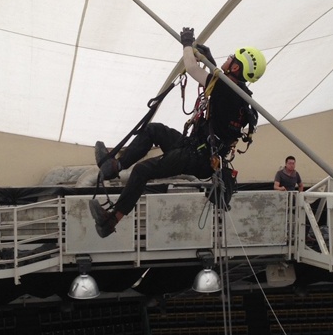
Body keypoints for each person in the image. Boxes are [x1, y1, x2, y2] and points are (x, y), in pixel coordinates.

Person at [88, 28, 267, 237]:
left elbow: (191, 68)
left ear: (236, 67)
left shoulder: (226, 89)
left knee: (142, 171)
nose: (228, 60)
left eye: (231, 58)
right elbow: (221, 94)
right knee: (154, 130)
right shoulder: (242, 97)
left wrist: (187, 44)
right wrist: (211, 61)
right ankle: (114, 166)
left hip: (196, 155)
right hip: (196, 148)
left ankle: (110, 221)